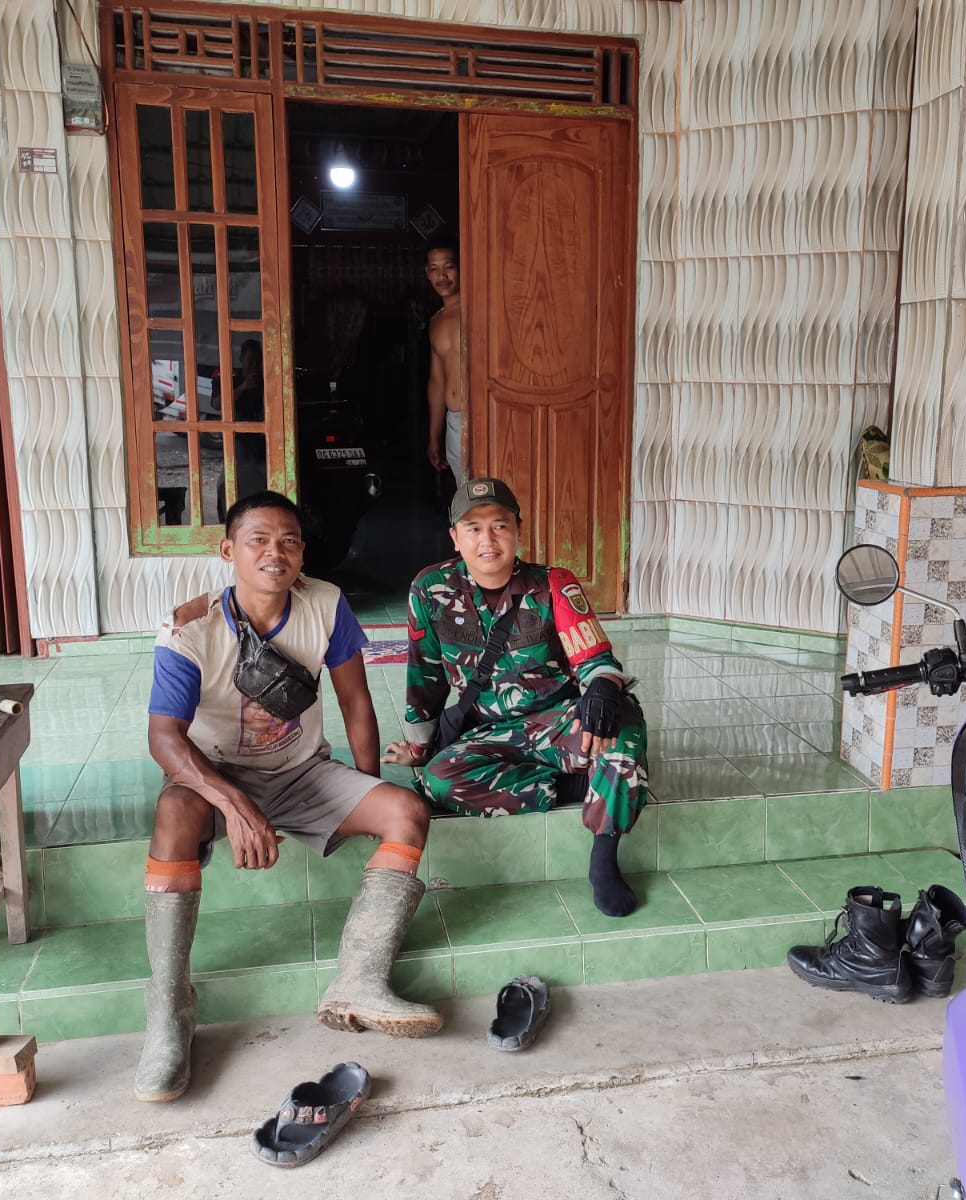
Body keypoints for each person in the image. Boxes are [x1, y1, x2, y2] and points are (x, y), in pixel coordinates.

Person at [135, 491, 441, 1105]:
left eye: (289, 541)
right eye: (258, 540)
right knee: (173, 811)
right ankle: (170, 1011)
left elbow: (355, 700)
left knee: (406, 811)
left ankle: (358, 982)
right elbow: (164, 740)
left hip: (302, 772)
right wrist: (234, 805)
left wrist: (364, 784)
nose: (275, 552)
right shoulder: (188, 627)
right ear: (228, 551)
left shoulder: (324, 603)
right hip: (216, 775)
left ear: (302, 553)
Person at [383, 478, 648, 918]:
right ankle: (574, 785)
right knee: (437, 780)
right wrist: (420, 745)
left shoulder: (554, 584)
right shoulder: (430, 590)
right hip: (491, 730)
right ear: (455, 537)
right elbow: (424, 674)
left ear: (518, 530)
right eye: (473, 528)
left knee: (622, 725)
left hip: (560, 722)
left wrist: (603, 685)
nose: (487, 540)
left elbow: (594, 657)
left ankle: (604, 856)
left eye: (500, 526)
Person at [424, 242, 465, 487]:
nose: (442, 276)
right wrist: (433, 436)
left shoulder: (478, 310)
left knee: (492, 497)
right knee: (467, 497)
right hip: (455, 421)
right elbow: (437, 381)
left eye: (449, 267)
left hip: (485, 417)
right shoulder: (436, 321)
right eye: (434, 269)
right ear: (427, 273)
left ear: (461, 267)